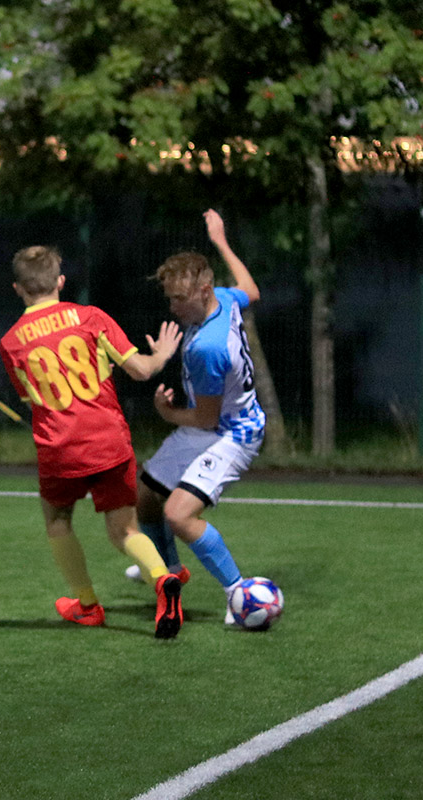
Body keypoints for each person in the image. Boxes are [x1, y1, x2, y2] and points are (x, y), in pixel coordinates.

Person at [0, 245, 186, 637]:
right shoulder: (90, 317)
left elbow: (33, 397)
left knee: (58, 521)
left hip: (60, 449)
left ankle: (87, 605)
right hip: (109, 442)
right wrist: (162, 355)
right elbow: (140, 370)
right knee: (125, 531)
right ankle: (162, 577)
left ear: (18, 288)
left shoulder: (11, 342)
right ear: (60, 281)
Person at [132, 209, 266, 625]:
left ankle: (239, 594)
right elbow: (251, 290)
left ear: (204, 290)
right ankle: (169, 572)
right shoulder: (223, 298)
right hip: (214, 424)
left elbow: (206, 419)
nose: (172, 307)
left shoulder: (207, 347)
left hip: (232, 433)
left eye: (179, 299)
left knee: (177, 514)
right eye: (169, 298)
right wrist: (220, 240)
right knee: (144, 496)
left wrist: (167, 412)